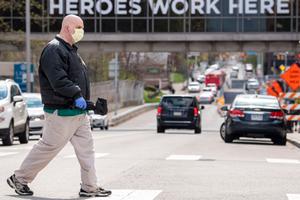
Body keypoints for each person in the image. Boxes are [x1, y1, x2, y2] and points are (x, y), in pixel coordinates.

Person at [7, 15, 112, 198]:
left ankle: (89, 186)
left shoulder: (71, 50)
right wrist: (77, 95)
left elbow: (74, 79)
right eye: (79, 27)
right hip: (61, 113)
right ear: (68, 27)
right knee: (48, 148)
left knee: (87, 150)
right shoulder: (53, 50)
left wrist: (89, 104)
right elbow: (59, 80)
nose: (82, 31)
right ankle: (19, 178)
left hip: (78, 113)